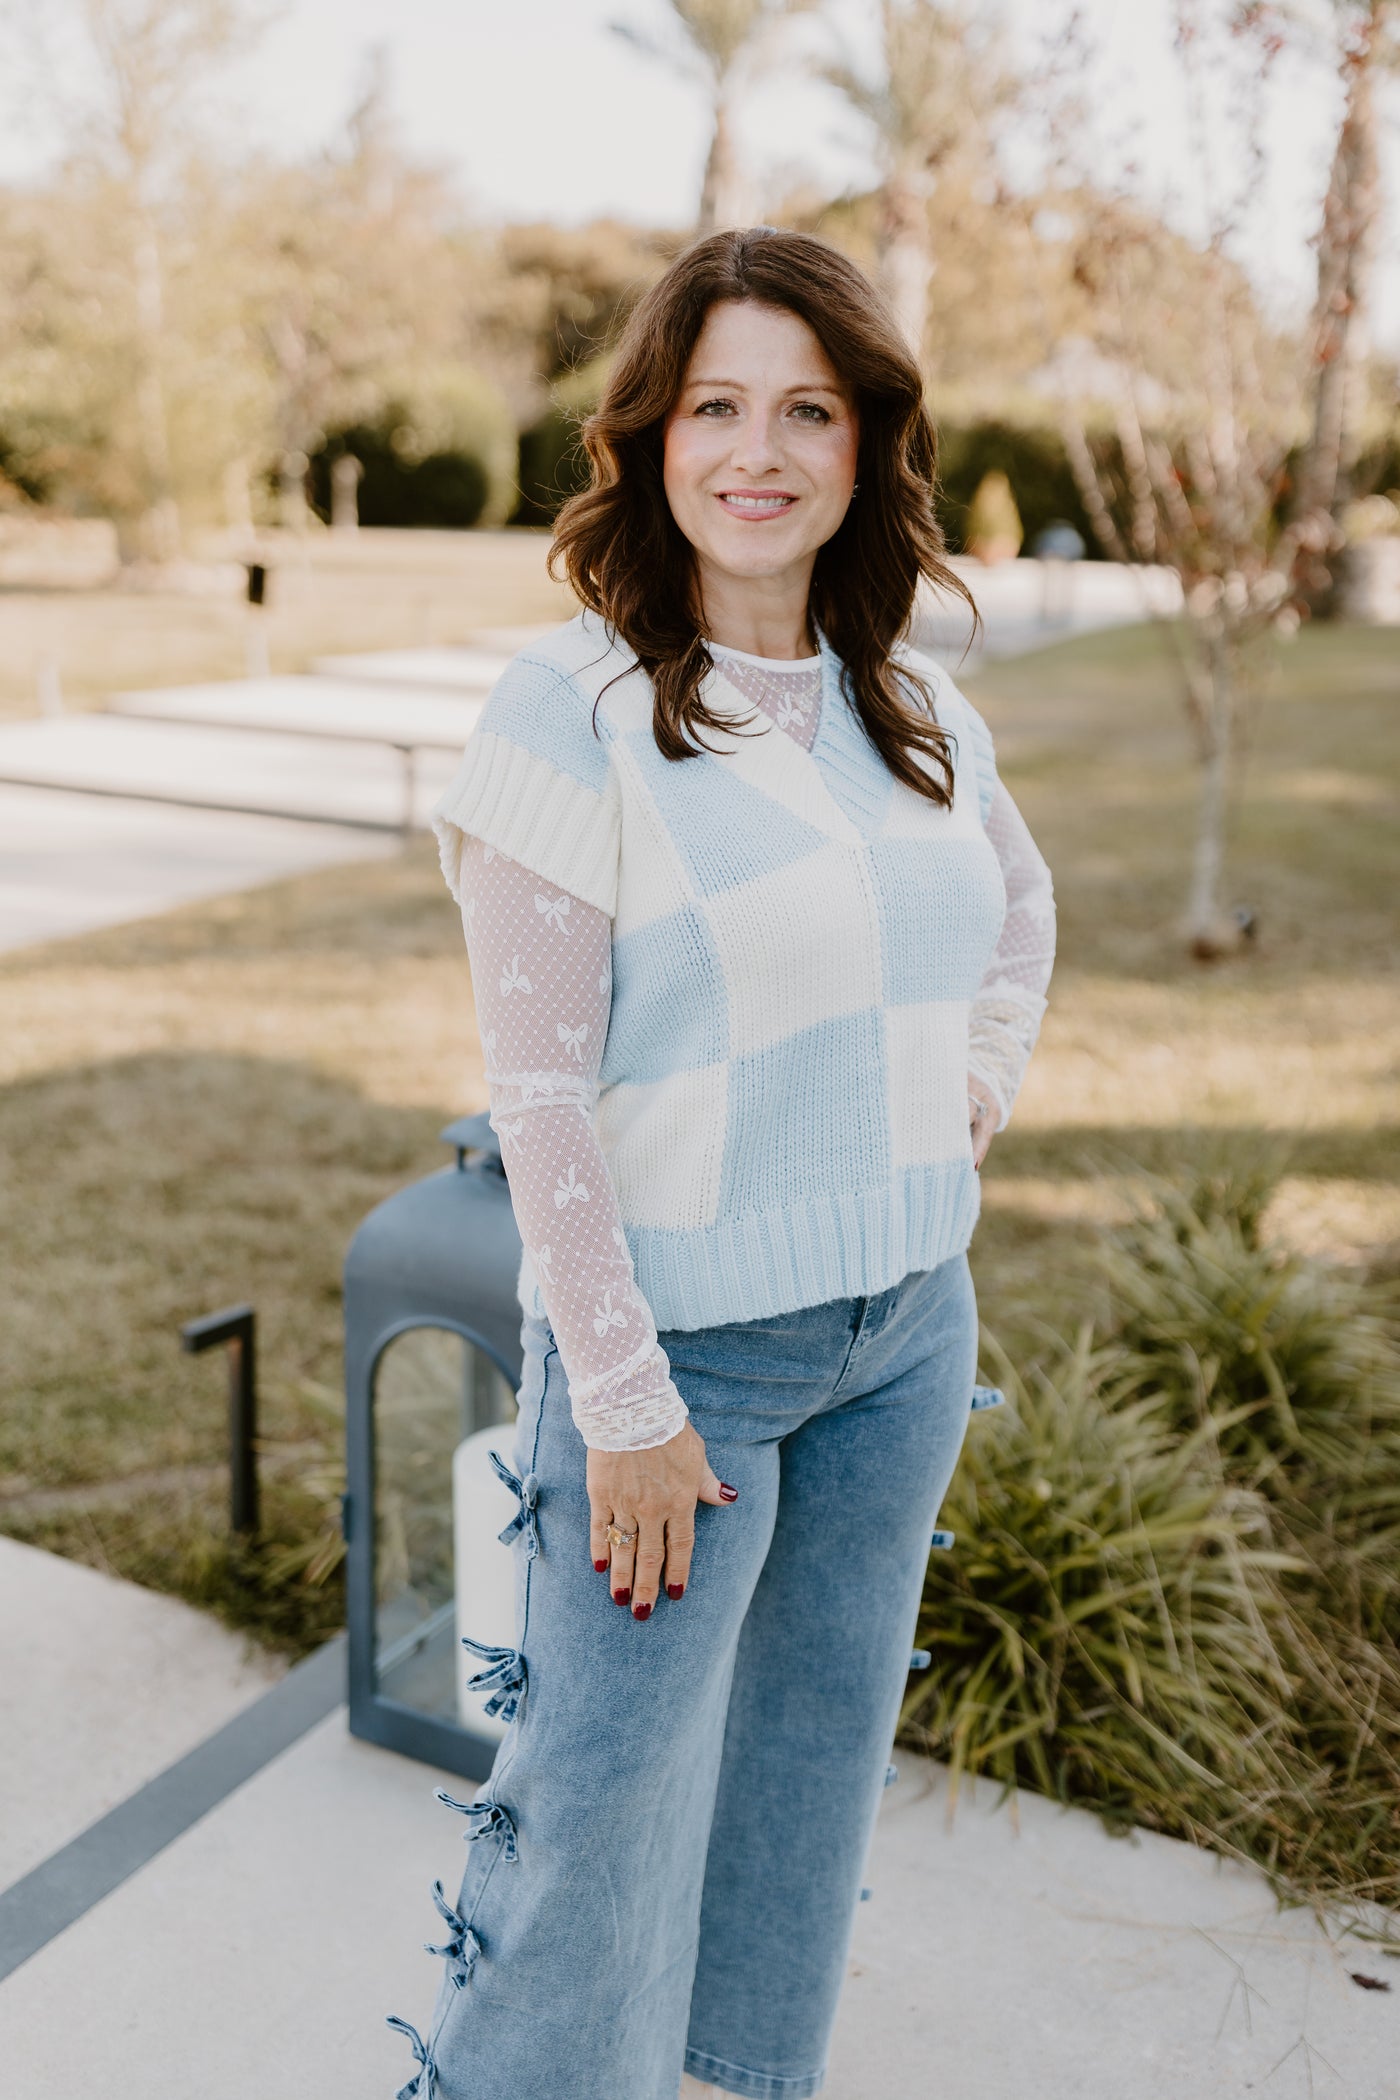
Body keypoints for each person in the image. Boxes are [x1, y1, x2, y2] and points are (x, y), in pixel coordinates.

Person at [385, 225, 1055, 2100]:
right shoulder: (572, 711)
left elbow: (1020, 904)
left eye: (807, 411)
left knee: (805, 1785)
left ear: (864, 448)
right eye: (717, 408)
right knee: (589, 1852)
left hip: (909, 1334)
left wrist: (973, 1089)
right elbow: (540, 1103)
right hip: (684, 1376)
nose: (757, 453)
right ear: (655, 438)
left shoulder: (906, 699)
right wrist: (624, 1402)